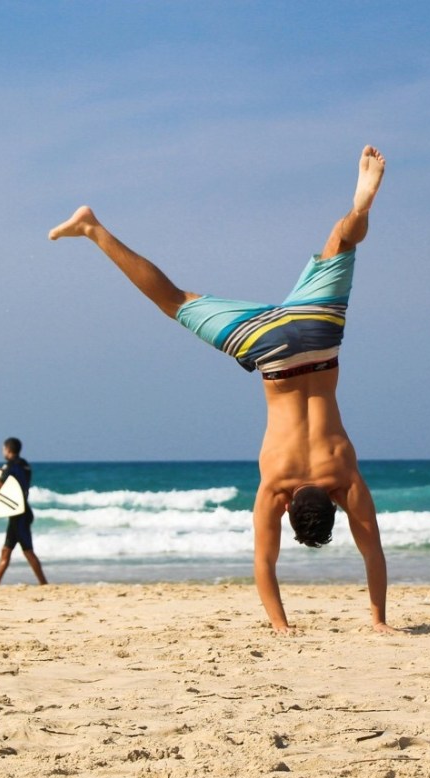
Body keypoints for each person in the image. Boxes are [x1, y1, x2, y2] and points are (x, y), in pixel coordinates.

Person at [49, 145, 395, 634]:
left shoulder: (344, 477)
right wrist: (281, 624)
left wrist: (380, 619)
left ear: (331, 505)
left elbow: (374, 553)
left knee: (343, 241)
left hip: (318, 336)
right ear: (289, 509)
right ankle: (92, 228)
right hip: (270, 353)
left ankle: (358, 209)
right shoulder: (277, 486)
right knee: (175, 301)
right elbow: (265, 563)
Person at [0, 437, 48, 586]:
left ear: (8, 449)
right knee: (6, 550)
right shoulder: (24, 465)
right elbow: (17, 479)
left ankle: (44, 584)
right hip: (21, 512)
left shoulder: (10, 466)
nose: (3, 451)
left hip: (19, 515)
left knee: (28, 551)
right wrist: (0, 470)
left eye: (3, 449)